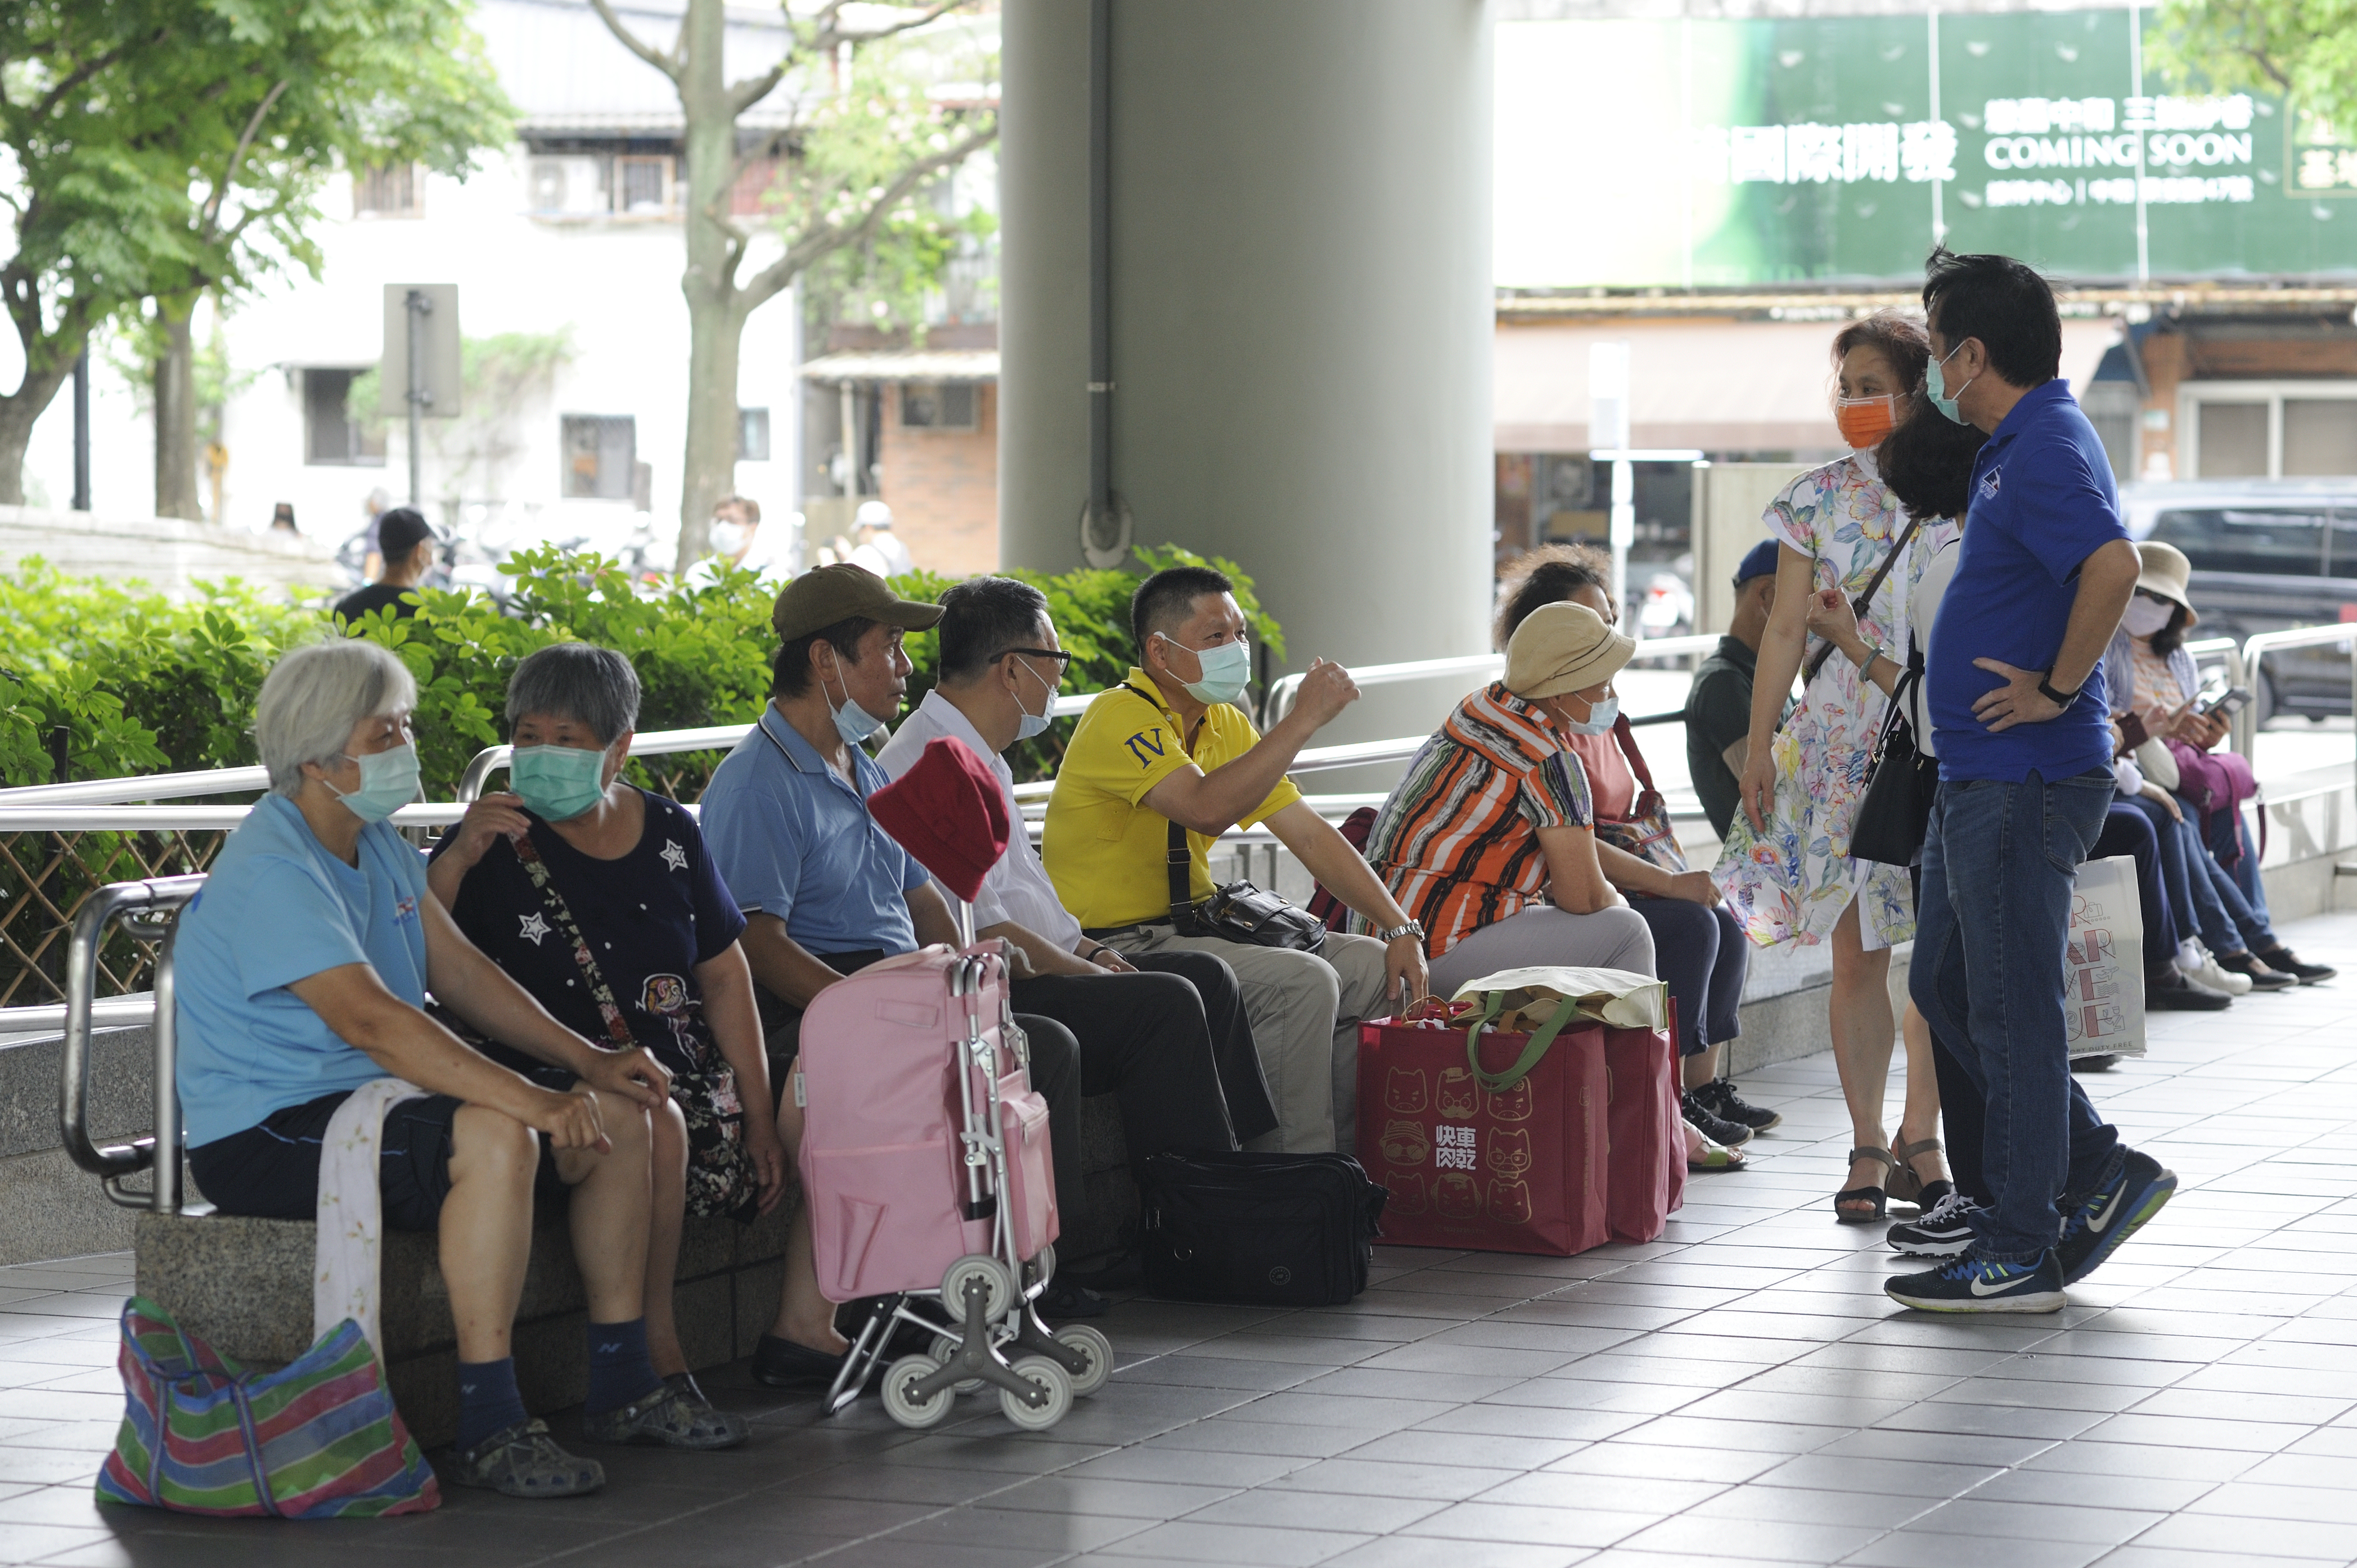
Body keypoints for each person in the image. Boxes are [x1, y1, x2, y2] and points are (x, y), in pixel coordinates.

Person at [174, 641, 730, 1502]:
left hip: (369, 1100)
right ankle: (491, 1421)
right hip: (269, 1128)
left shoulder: (376, 844)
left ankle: (624, 1385)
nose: (408, 743)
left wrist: (590, 1063)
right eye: (385, 730)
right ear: (321, 760)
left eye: (403, 724)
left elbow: (461, 971)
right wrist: (536, 1101)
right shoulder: (274, 866)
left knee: (619, 1116)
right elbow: (375, 1022)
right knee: (494, 1128)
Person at [697, 565, 1196, 1328]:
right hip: (819, 1006)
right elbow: (755, 943)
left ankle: (1019, 1273)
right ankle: (958, 1289)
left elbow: (921, 897)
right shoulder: (757, 782)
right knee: (1036, 1046)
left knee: (1035, 1043)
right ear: (825, 661)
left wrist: (966, 982)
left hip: (897, 990)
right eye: (888, 648)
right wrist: (861, 1009)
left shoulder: (856, 764)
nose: (904, 669)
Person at [1888, 247, 2177, 1314]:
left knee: (2010, 1008)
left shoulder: (2046, 442)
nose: (1929, 372)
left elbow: (2112, 564)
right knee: (1948, 989)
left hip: (2024, 775)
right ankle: (2096, 1166)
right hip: (1978, 773)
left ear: (1971, 353)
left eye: (1931, 351)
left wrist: (2059, 688)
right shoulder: (2012, 445)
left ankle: (2020, 1245)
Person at [425, 644, 782, 1430]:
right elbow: (420, 954)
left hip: (670, 1077)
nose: (543, 754)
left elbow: (724, 975)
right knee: (643, 1116)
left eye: (569, 737)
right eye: (528, 734)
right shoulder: (489, 839)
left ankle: (644, 1363)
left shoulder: (666, 831)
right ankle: (653, 1356)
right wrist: (455, 859)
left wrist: (759, 1114)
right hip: (536, 1076)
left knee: (663, 1106)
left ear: (619, 749)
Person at [878, 576, 1252, 1224]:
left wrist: (1091, 951)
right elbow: (982, 924)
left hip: (1045, 960)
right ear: (1013, 668)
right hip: (998, 983)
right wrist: (1086, 968)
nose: (1057, 678)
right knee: (1164, 1001)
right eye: (1054, 660)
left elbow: (1032, 902)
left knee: (1207, 976)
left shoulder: (982, 752)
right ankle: (1199, 1219)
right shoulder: (927, 760)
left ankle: (1236, 1176)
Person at [1042, 565, 1431, 1156]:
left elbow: (1306, 834)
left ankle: (1349, 1175)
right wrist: (1302, 720)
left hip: (1196, 925)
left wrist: (1400, 925)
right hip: (1119, 942)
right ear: (1159, 652)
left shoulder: (1223, 721)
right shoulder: (1117, 716)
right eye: (1215, 638)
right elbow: (1202, 807)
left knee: (1378, 971)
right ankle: (1289, 1184)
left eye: (1240, 634)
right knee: (1304, 982)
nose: (1237, 650)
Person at [1716, 312, 1964, 1219]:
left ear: (1918, 389)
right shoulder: (1811, 498)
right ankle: (1868, 1141)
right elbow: (1784, 626)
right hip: (1838, 746)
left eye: (1873, 385)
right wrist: (1763, 744)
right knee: (1858, 956)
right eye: (1846, 387)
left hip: (1933, 732)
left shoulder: (1963, 483)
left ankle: (1923, 1135)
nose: (1856, 403)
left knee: (1936, 956)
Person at [1490, 548, 1773, 1148]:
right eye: (1587, 625)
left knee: (1720, 918)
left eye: (1608, 621)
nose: (1604, 639)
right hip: (1563, 884)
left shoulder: (1593, 710)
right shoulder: (1541, 729)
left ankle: (1697, 1090)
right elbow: (1572, 851)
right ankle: (1662, 1100)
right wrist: (1665, 884)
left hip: (1619, 867)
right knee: (1691, 926)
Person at [2107, 540, 2332, 989]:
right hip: (2140, 770)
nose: (2149, 607)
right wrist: (2155, 727)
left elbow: (2188, 732)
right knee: (2182, 820)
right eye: (2142, 594)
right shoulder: (2106, 649)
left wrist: (2206, 731)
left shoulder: (2179, 658)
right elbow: (2109, 728)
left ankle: (2254, 941)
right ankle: (2239, 946)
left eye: (2162, 599)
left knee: (2230, 819)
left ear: (2176, 609)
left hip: (2181, 770)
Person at [1686, 539, 1782, 841]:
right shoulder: (1723, 684)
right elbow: (1779, 795)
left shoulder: (1760, 675)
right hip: (1766, 871)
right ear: (1766, 595)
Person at [337, 507, 437, 623]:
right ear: (419, 550)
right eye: (429, 550)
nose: (431, 562)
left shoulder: (346, 607)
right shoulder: (426, 614)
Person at [707, 495, 795, 583]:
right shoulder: (699, 573)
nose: (722, 527)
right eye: (719, 520)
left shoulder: (774, 577)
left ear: (752, 528)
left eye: (732, 520)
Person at [848, 499, 914, 579]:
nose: (859, 535)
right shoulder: (901, 547)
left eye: (860, 530)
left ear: (868, 528)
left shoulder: (865, 551)